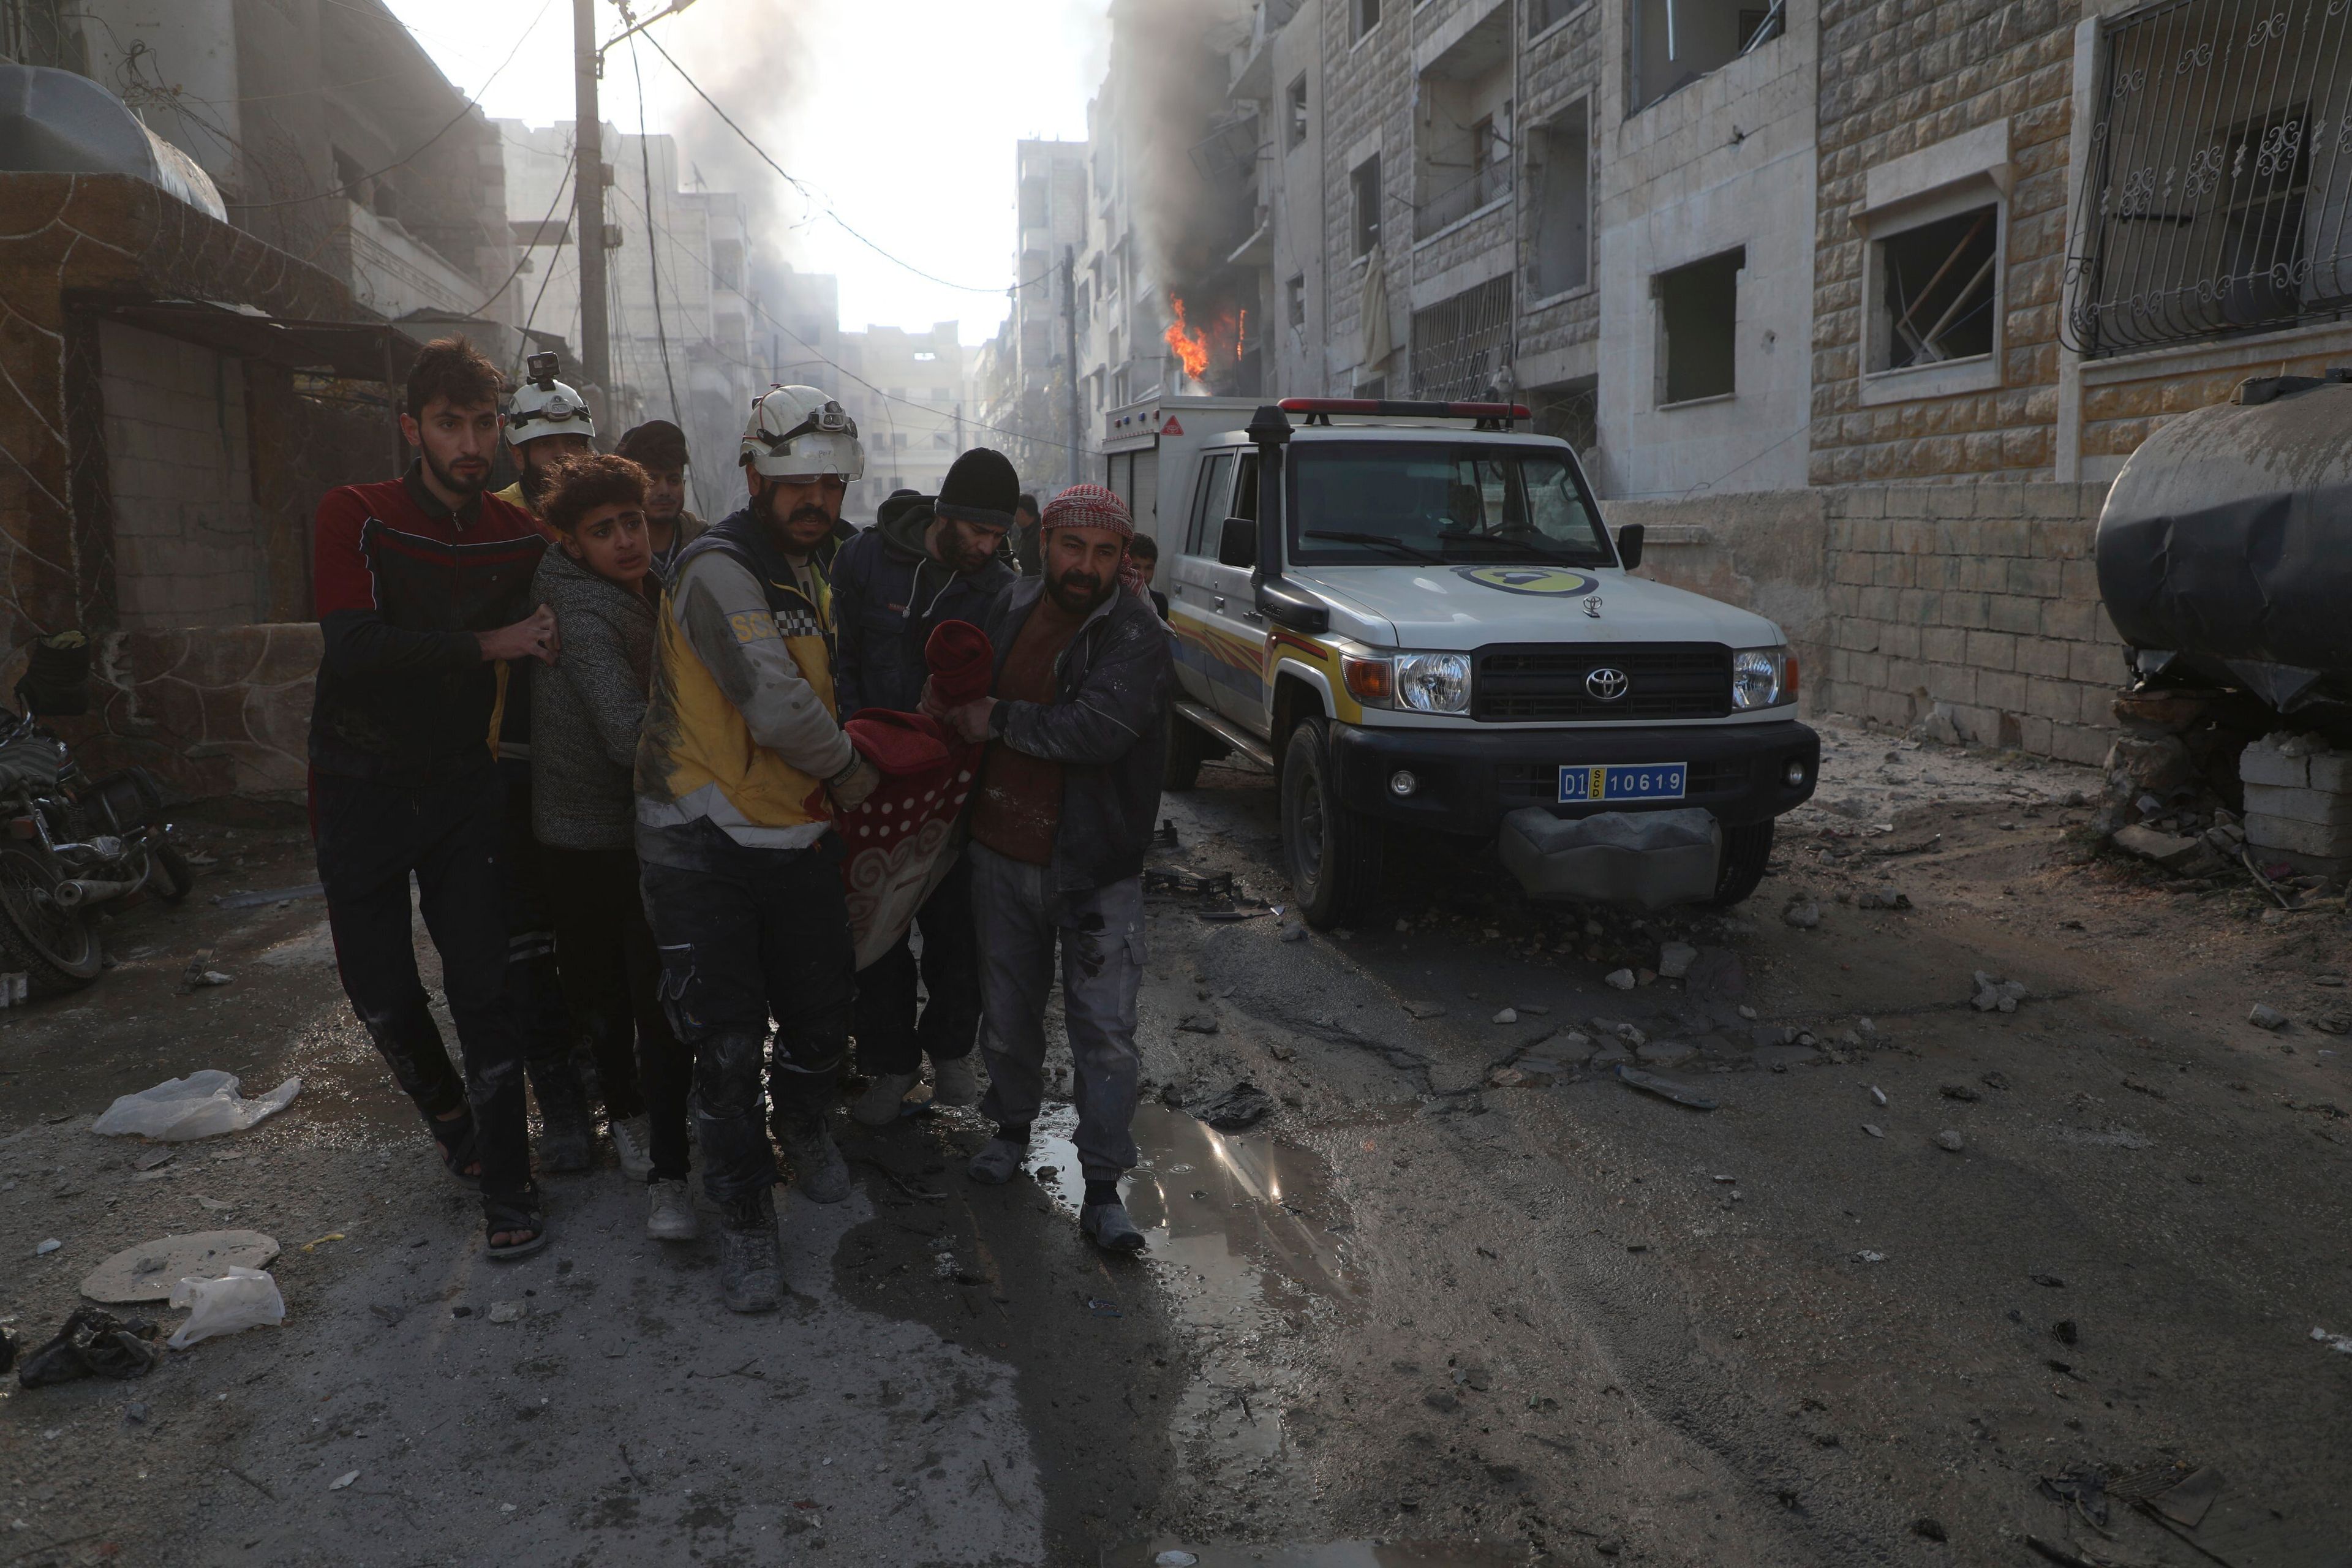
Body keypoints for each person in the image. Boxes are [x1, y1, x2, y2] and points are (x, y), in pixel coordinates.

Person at [307, 336, 556, 1260]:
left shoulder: (521, 535)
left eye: (484, 424)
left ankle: (508, 1179)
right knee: (378, 990)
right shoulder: (358, 515)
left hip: (463, 788)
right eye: (450, 424)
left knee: (483, 985)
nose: (470, 443)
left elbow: (586, 602)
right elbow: (357, 648)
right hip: (357, 781)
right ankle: (453, 1121)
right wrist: (494, 644)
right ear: (413, 429)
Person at [635, 384, 881, 1313]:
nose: (817, 498)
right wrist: (855, 769)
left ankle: (807, 1131)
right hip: (700, 840)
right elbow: (776, 704)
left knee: (822, 1021)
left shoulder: (813, 569)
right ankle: (744, 1218)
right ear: (752, 477)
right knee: (728, 1047)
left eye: (831, 481)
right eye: (795, 482)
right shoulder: (718, 569)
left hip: (794, 832)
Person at [943, 484, 1173, 1253]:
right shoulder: (1010, 606)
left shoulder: (1136, 631)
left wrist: (999, 719)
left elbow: (1098, 730)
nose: (1088, 566)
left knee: (1104, 1034)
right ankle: (1010, 1130)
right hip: (1002, 850)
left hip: (1094, 868)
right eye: (1074, 547)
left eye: (1106, 553)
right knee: (1007, 1014)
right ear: (1045, 542)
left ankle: (1103, 1187)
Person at [529, 453, 698, 1242]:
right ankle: (626, 1111)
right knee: (608, 986)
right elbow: (626, 731)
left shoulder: (650, 587)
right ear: (571, 544)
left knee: (650, 979)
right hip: (587, 833)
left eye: (633, 521)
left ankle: (654, 1105)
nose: (628, 539)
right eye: (605, 530)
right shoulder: (584, 613)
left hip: (640, 822)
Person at [829, 449, 1019, 1126]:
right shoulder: (865, 560)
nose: (988, 548)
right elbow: (839, 652)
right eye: (979, 533)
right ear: (946, 513)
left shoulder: (1000, 591)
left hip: (950, 794)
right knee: (873, 937)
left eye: (999, 537)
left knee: (955, 933)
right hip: (867, 778)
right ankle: (891, 1064)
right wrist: (853, 743)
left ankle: (951, 1055)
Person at [485, 357, 600, 1170]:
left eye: (573, 443)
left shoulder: (605, 524)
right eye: (545, 444)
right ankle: (560, 1100)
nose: (559, 459)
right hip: (508, 759)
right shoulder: (488, 524)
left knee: (593, 934)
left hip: (596, 760)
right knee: (522, 941)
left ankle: (606, 1078)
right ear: (517, 452)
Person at [615, 418, 706, 582]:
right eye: (652, 480)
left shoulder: (705, 544)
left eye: (673, 480)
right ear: (632, 486)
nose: (664, 491)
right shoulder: (615, 549)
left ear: (683, 485)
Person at [1127, 532, 1169, 620]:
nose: (1143, 575)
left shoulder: (1159, 602)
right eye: (1136, 567)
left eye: (1149, 568)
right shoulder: (1114, 601)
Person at [1010, 492, 1043, 576]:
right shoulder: (1029, 532)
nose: (1015, 519)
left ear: (1022, 513)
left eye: (1015, 514)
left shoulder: (1041, 536)